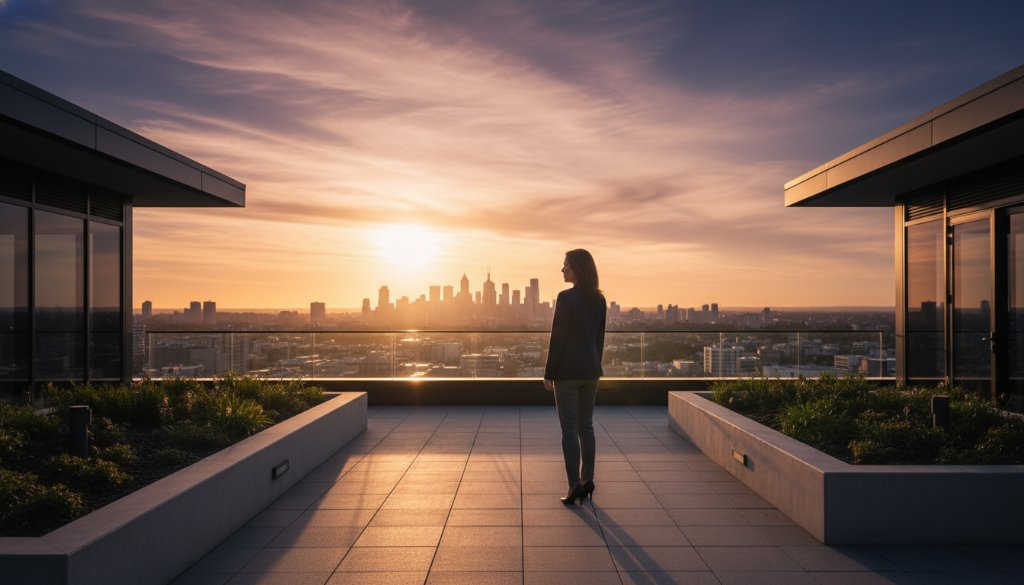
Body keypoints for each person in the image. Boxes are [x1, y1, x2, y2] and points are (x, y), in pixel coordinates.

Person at [543, 248, 607, 505]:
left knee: (569, 429)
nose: (562, 270)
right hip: (591, 371)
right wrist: (594, 364)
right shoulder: (600, 300)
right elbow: (599, 339)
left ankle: (573, 486)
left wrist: (549, 373)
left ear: (578, 269)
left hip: (567, 373)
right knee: (586, 426)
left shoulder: (566, 298)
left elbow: (557, 340)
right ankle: (588, 479)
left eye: (566, 266)